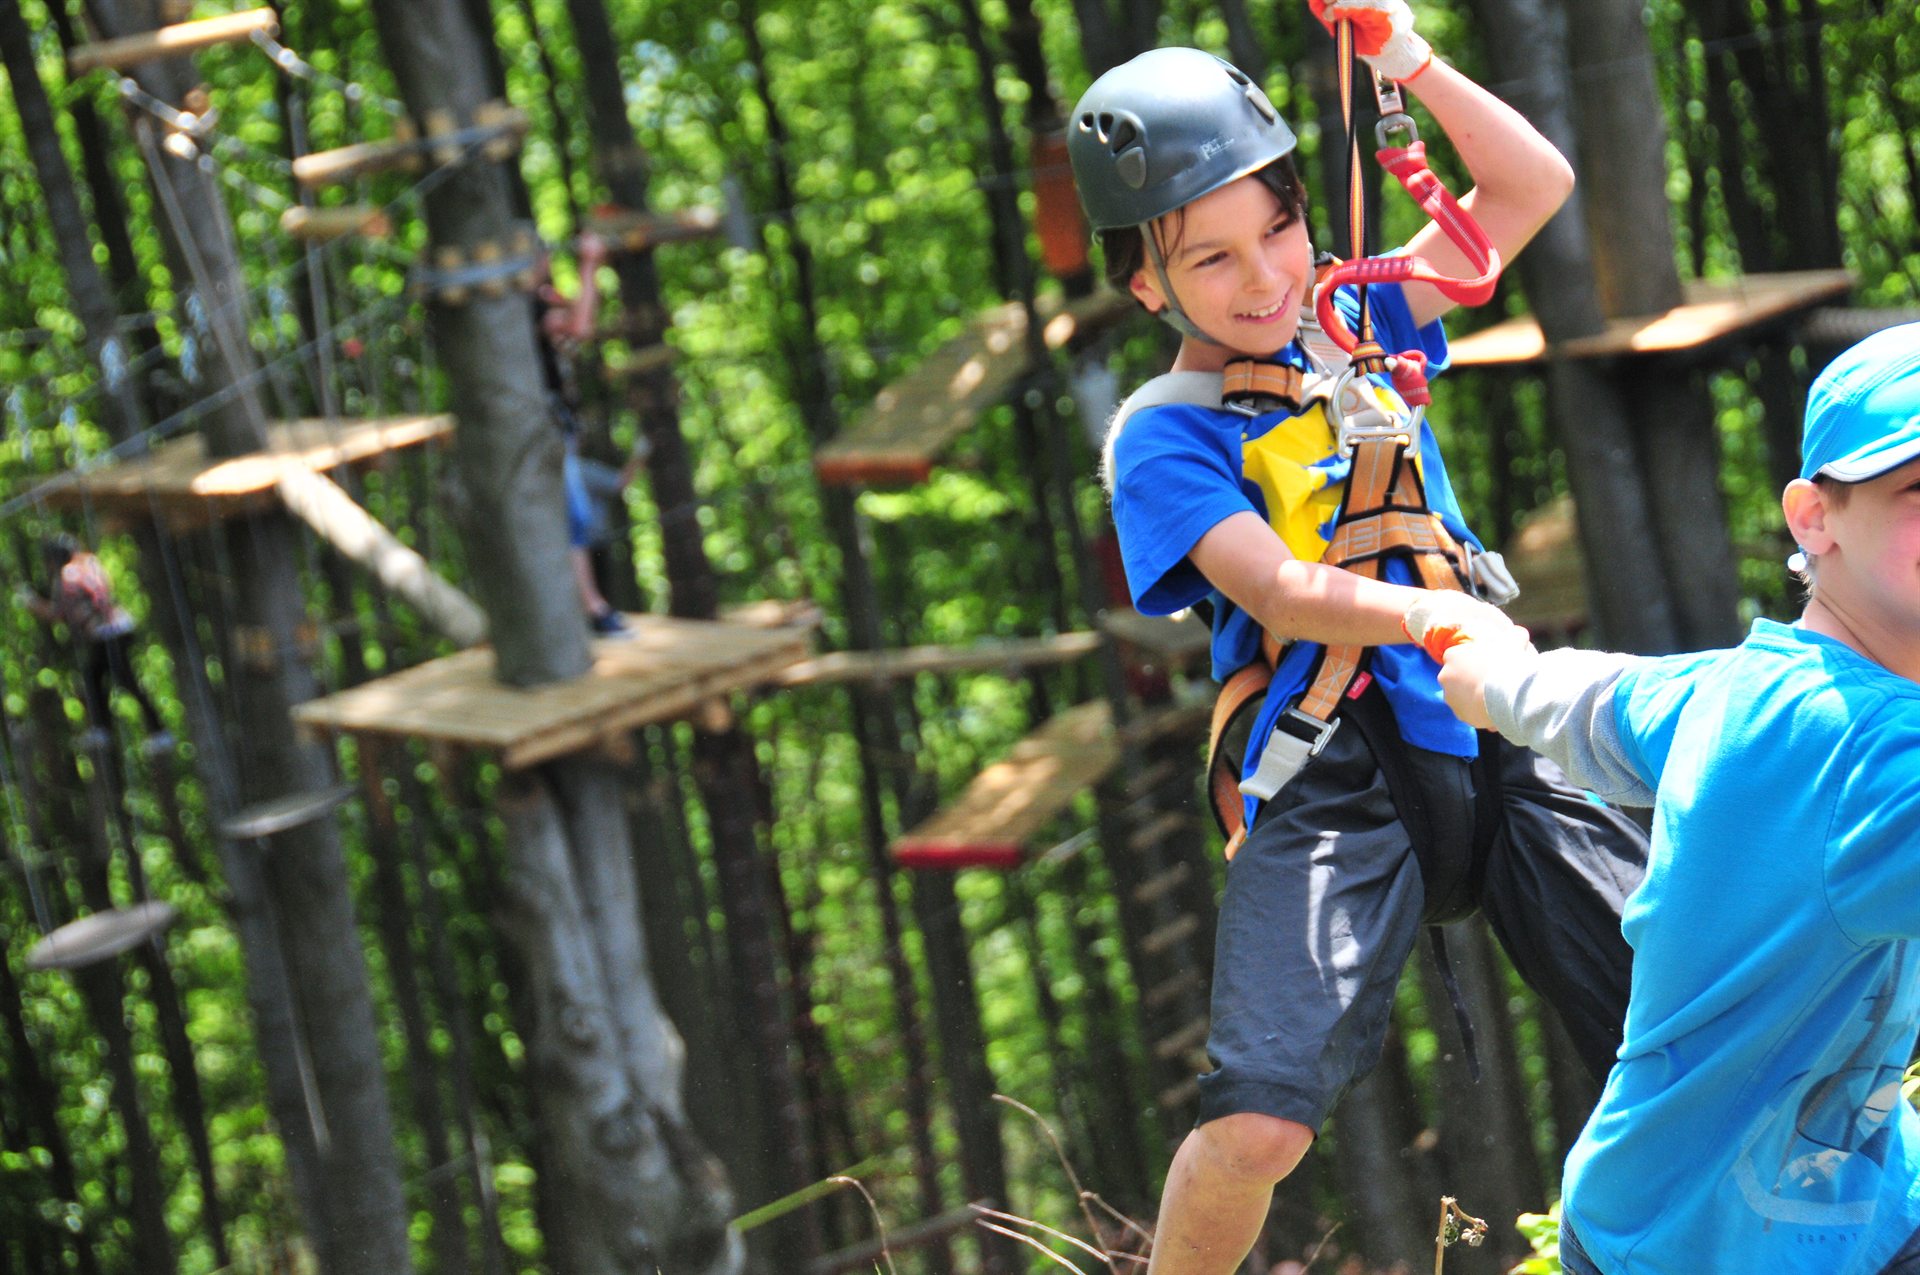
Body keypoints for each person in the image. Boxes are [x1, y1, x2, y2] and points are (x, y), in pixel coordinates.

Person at [1067, 8, 1650, 1272]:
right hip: (1331, 770)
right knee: (1261, 1124)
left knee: (1678, 1027)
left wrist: (1405, 58)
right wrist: (1427, 613)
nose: (1267, 278)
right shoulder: (1164, 439)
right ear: (1144, 285)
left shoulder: (1363, 318)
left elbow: (1530, 184)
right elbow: (1274, 588)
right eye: (1211, 260)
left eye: (1276, 227)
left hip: (1494, 727)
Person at [1424, 323, 1920, 1274]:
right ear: (1814, 516)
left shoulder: (1738, 691)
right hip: (1697, 1245)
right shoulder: (1871, 754)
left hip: (1842, 1210)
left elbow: (1591, 696)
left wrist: (1489, 673)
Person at [536, 230, 640, 638]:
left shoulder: (539, 299)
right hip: (547, 431)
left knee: (573, 520)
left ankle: (588, 607)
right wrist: (590, 265)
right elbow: (578, 327)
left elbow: (579, 322)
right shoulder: (525, 306)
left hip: (558, 429)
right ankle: (591, 609)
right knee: (573, 520)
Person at [18, 534, 170, 750]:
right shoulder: (89, 563)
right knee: (96, 678)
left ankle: (153, 731)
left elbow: (58, 612)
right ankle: (107, 729)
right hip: (119, 627)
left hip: (107, 633)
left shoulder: (67, 575)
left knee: (118, 680)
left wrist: (32, 603)